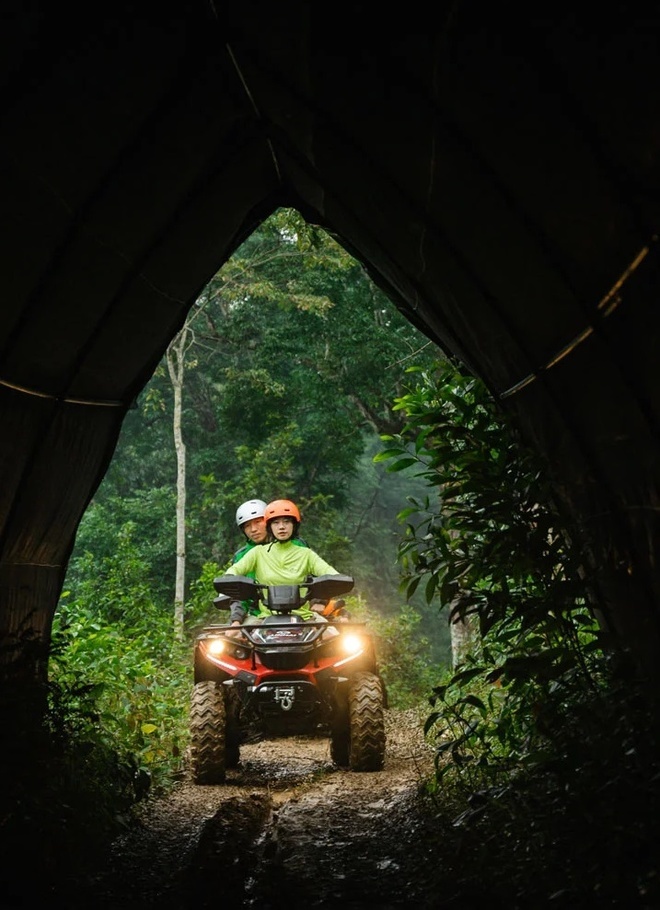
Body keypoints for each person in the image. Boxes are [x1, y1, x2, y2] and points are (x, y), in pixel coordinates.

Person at [224, 498, 342, 623]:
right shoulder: (252, 553)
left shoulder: (303, 551)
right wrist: (236, 618)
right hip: (261, 616)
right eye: (276, 523)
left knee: (334, 633)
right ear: (270, 526)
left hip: (303, 615)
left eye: (286, 522)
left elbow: (326, 574)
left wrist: (320, 601)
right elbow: (234, 578)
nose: (281, 527)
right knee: (233, 634)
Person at [227, 498, 309, 628]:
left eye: (258, 522)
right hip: (258, 616)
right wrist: (236, 620)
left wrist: (319, 602)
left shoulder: (296, 545)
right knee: (230, 638)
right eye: (247, 526)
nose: (253, 529)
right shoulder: (242, 556)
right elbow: (238, 594)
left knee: (333, 636)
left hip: (301, 613)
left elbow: (316, 578)